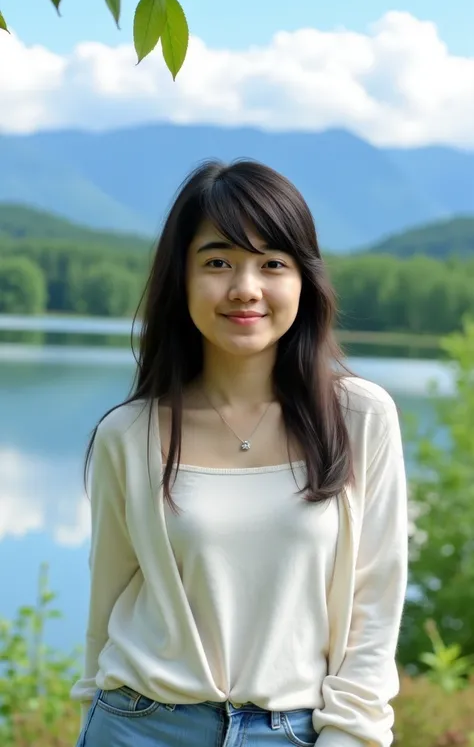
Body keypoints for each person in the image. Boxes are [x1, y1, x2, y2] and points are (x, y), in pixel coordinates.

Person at [70, 160, 408, 747]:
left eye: (272, 263)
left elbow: (374, 609)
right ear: (181, 278)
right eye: (218, 261)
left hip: (297, 732)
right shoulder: (129, 435)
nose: (245, 288)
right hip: (138, 726)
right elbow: (103, 611)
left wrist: (351, 735)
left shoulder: (360, 418)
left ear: (304, 280)